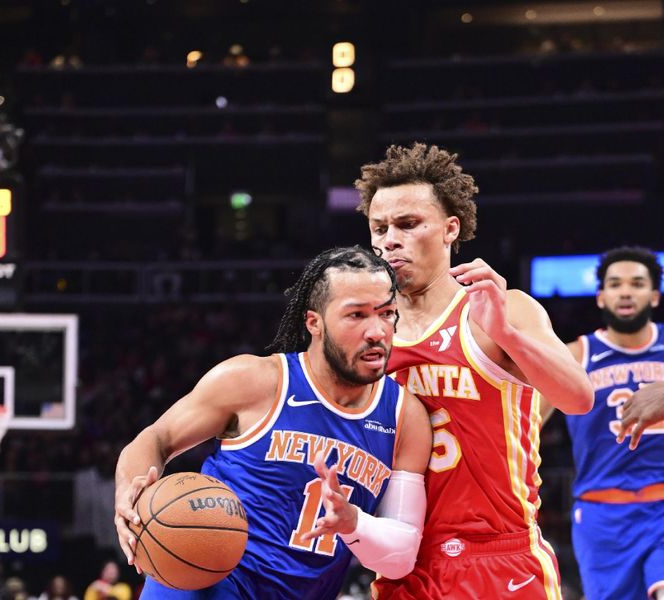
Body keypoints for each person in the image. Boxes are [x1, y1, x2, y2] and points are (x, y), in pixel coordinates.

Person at [114, 246, 432, 599]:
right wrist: (129, 492)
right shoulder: (255, 381)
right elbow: (157, 437)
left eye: (386, 314)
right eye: (356, 315)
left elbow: (401, 558)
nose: (376, 331)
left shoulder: (405, 416)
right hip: (204, 582)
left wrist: (354, 522)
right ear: (314, 323)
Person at [354, 143, 594, 599]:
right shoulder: (367, 331)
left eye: (408, 224)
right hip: (405, 560)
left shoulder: (503, 309)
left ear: (450, 229)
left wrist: (507, 334)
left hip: (501, 558)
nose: (389, 239)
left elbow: (578, 398)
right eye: (379, 228)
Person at [546, 246, 664, 600]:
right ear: (601, 297)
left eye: (637, 283)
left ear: (654, 295)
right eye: (615, 284)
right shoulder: (574, 355)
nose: (626, 291)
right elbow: (525, 421)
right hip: (602, 513)